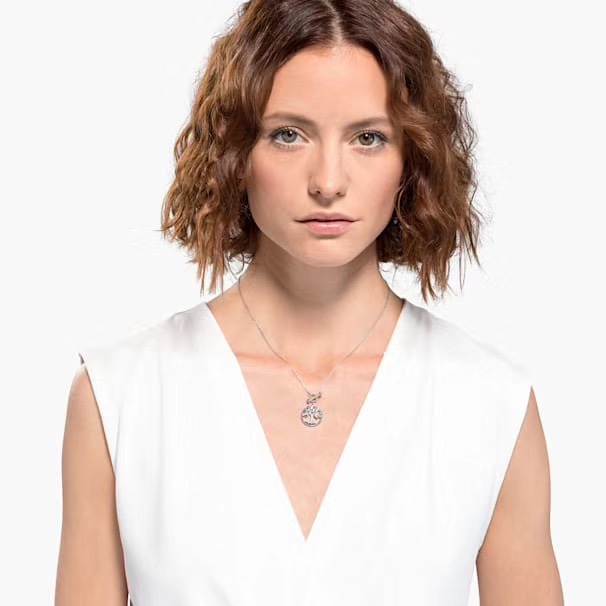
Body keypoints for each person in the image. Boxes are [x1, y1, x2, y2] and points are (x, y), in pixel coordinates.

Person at [55, 0, 564, 604]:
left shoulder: (490, 403)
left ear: (412, 159)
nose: (328, 182)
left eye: (368, 138)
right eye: (288, 135)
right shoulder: (121, 397)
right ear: (236, 151)